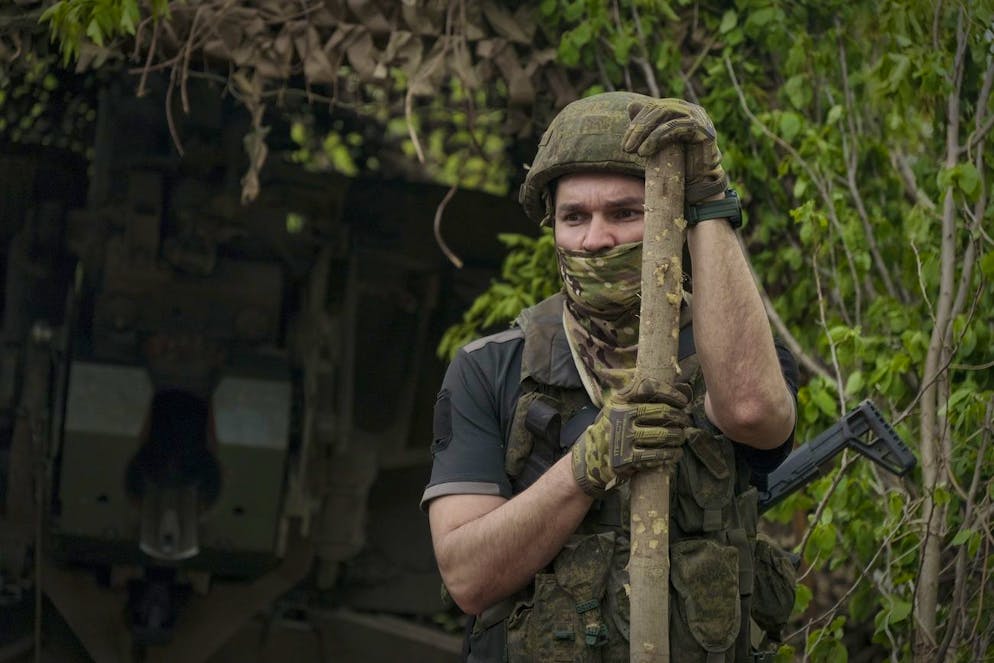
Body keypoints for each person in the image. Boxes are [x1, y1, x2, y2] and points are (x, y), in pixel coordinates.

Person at [421, 92, 799, 662]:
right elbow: (468, 579)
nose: (596, 239)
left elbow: (752, 413)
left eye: (625, 213)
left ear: (670, 218)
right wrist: (583, 470)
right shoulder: (490, 368)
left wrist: (712, 203)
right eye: (575, 217)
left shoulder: (731, 353)